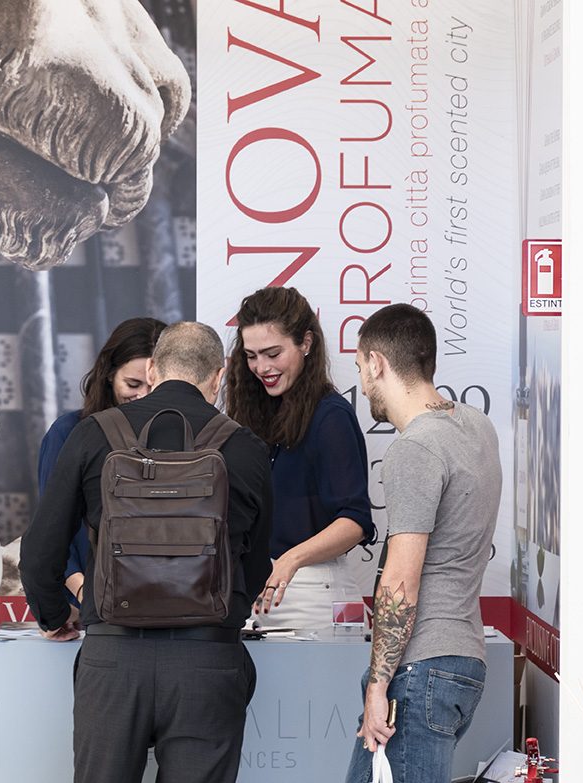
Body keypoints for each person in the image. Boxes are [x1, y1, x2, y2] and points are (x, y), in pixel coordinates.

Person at [20, 322, 272, 783]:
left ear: (153, 369)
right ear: (221, 375)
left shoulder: (93, 434)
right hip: (208, 662)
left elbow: (39, 554)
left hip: (113, 661)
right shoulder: (246, 448)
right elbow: (257, 564)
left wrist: (56, 616)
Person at [345, 304, 502, 783]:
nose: (363, 385)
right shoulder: (478, 427)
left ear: (377, 363)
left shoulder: (415, 448)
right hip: (463, 661)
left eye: (359, 370)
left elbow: (400, 579)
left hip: (420, 669)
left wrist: (377, 685)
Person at [225, 287, 375, 629]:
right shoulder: (255, 416)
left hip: (314, 598)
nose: (261, 367)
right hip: (256, 598)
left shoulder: (331, 416)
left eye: (272, 353)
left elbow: (355, 521)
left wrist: (289, 561)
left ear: (306, 343)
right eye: (251, 356)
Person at [37, 317, 166, 608]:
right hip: (87, 608)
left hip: (165, 609)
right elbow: (51, 532)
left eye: (154, 387)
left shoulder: (181, 438)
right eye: (132, 384)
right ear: (109, 374)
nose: (142, 397)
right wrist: (86, 594)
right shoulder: (68, 432)